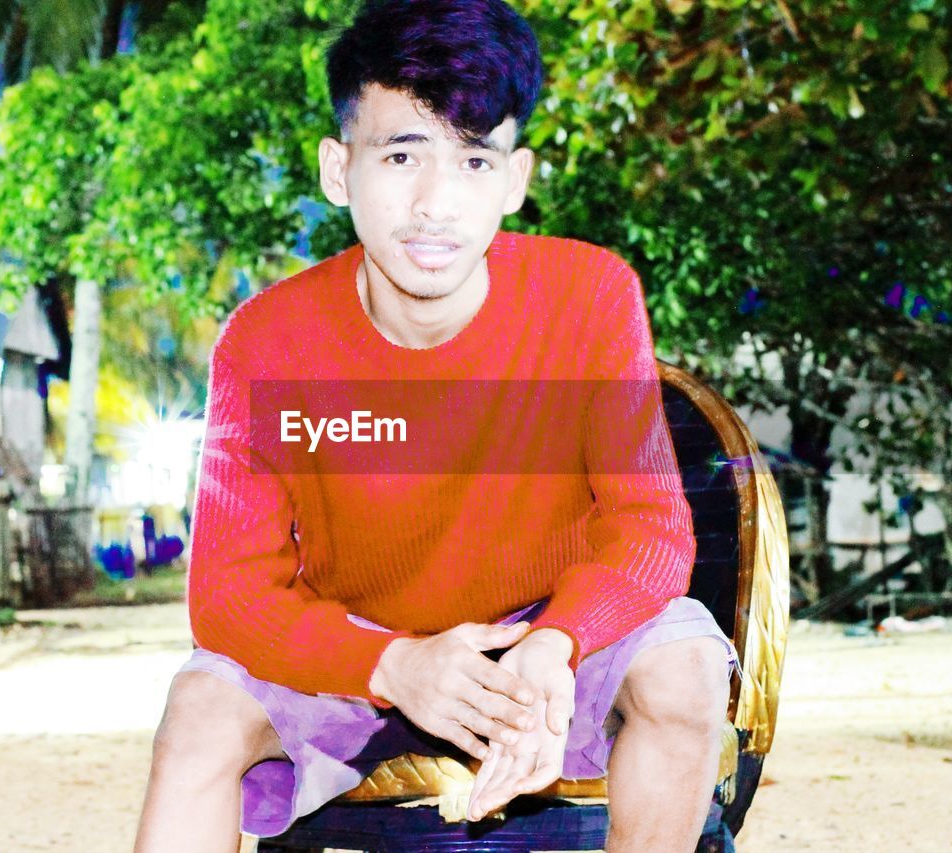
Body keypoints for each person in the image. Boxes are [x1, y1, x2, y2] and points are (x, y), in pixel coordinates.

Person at [134, 1, 741, 850]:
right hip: (360, 648)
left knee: (685, 665)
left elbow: (649, 528)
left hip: (544, 631)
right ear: (339, 169)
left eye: (473, 158)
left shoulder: (590, 295)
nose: (436, 204)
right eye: (401, 153)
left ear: (515, 178)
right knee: (199, 710)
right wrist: (392, 664)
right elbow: (229, 592)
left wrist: (554, 644)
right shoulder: (268, 342)